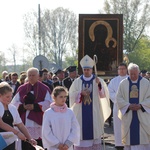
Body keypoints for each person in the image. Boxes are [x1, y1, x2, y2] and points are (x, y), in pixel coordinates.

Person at [69, 55, 111, 150]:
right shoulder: (77, 82)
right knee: (82, 135)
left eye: (88, 69)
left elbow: (104, 96)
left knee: (94, 134)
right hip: (80, 113)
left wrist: (99, 85)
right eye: (85, 69)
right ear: (82, 70)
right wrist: (80, 93)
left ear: (92, 69)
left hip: (95, 112)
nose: (86, 71)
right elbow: (71, 95)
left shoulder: (98, 80)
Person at [11, 67, 53, 150]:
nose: (31, 77)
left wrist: (36, 106)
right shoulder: (22, 88)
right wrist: (22, 106)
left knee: (39, 143)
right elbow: (14, 103)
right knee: (26, 143)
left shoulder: (44, 88)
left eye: (33, 75)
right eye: (29, 75)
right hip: (24, 120)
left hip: (38, 121)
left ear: (38, 76)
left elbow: (49, 103)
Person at [116, 63, 150, 150]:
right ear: (128, 72)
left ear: (138, 72)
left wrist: (141, 105)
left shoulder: (146, 83)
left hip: (142, 116)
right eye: (131, 74)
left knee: (142, 140)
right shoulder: (123, 83)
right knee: (129, 141)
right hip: (128, 116)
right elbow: (118, 98)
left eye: (135, 74)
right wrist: (128, 106)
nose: (133, 76)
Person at [0, 82, 37, 150]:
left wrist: (30, 138)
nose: (10, 99)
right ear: (0, 95)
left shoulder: (13, 108)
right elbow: (1, 124)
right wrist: (17, 133)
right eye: (7, 97)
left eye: (11, 96)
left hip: (10, 140)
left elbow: (20, 125)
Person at [108, 63, 128, 150]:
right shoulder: (114, 81)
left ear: (126, 69)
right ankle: (119, 143)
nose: (121, 70)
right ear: (118, 70)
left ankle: (128, 142)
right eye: (120, 69)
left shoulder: (130, 79)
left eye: (123, 68)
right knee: (118, 125)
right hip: (118, 107)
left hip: (128, 107)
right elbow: (110, 92)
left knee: (127, 125)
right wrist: (119, 99)